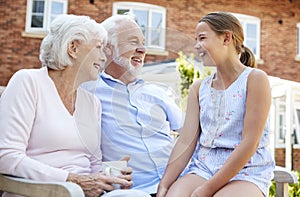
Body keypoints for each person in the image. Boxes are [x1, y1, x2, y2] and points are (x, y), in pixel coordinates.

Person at [0, 14, 150, 197]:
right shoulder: (28, 81)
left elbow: (93, 166)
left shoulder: (91, 102)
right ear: (73, 48)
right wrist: (72, 180)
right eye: (98, 48)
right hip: (39, 192)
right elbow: (6, 157)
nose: (104, 58)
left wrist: (112, 176)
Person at [157, 11, 275, 197]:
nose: (197, 46)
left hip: (246, 171)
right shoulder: (198, 89)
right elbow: (186, 141)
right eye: (196, 40)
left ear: (226, 37)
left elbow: (249, 142)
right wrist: (165, 183)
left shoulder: (255, 79)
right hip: (204, 167)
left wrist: (207, 190)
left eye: (202, 38)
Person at [83, 14, 184, 196]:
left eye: (143, 42)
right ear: (107, 48)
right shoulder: (88, 91)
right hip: (135, 190)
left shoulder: (156, 92)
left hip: (179, 184)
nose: (143, 49)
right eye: (133, 42)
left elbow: (191, 132)